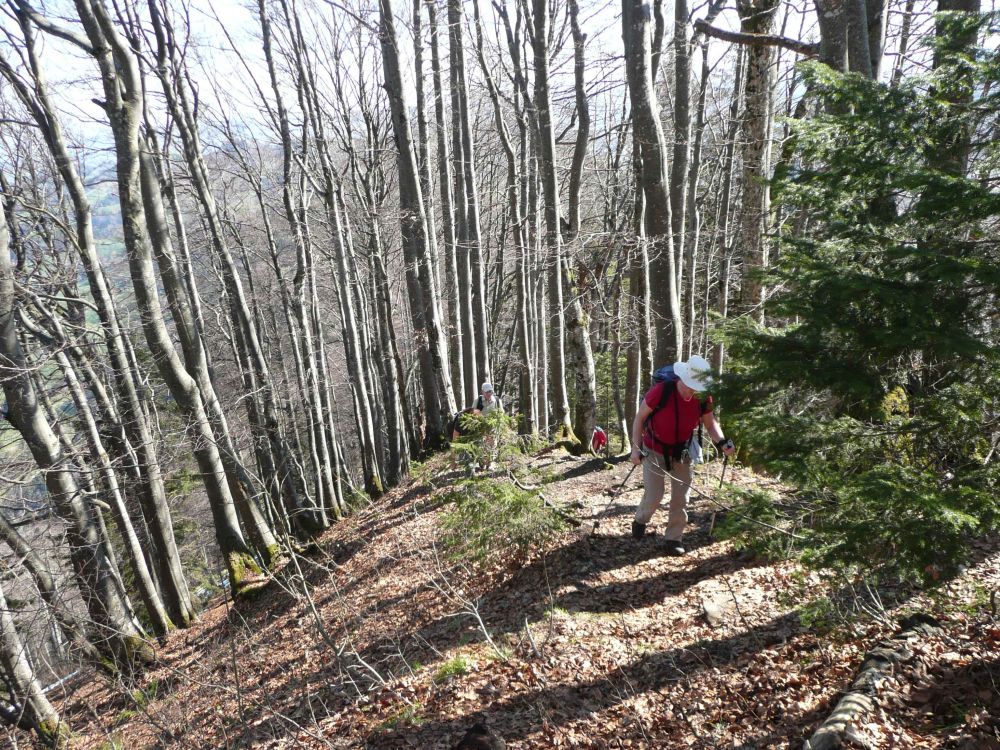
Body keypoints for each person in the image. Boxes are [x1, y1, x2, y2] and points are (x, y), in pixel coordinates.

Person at [629, 354, 735, 556]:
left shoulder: (702, 397)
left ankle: (673, 539)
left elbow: (710, 423)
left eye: (696, 387)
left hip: (683, 451)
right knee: (654, 496)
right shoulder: (662, 391)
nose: (692, 391)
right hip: (654, 448)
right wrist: (636, 448)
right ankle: (640, 519)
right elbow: (639, 418)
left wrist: (722, 442)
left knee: (681, 498)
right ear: (682, 379)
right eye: (689, 385)